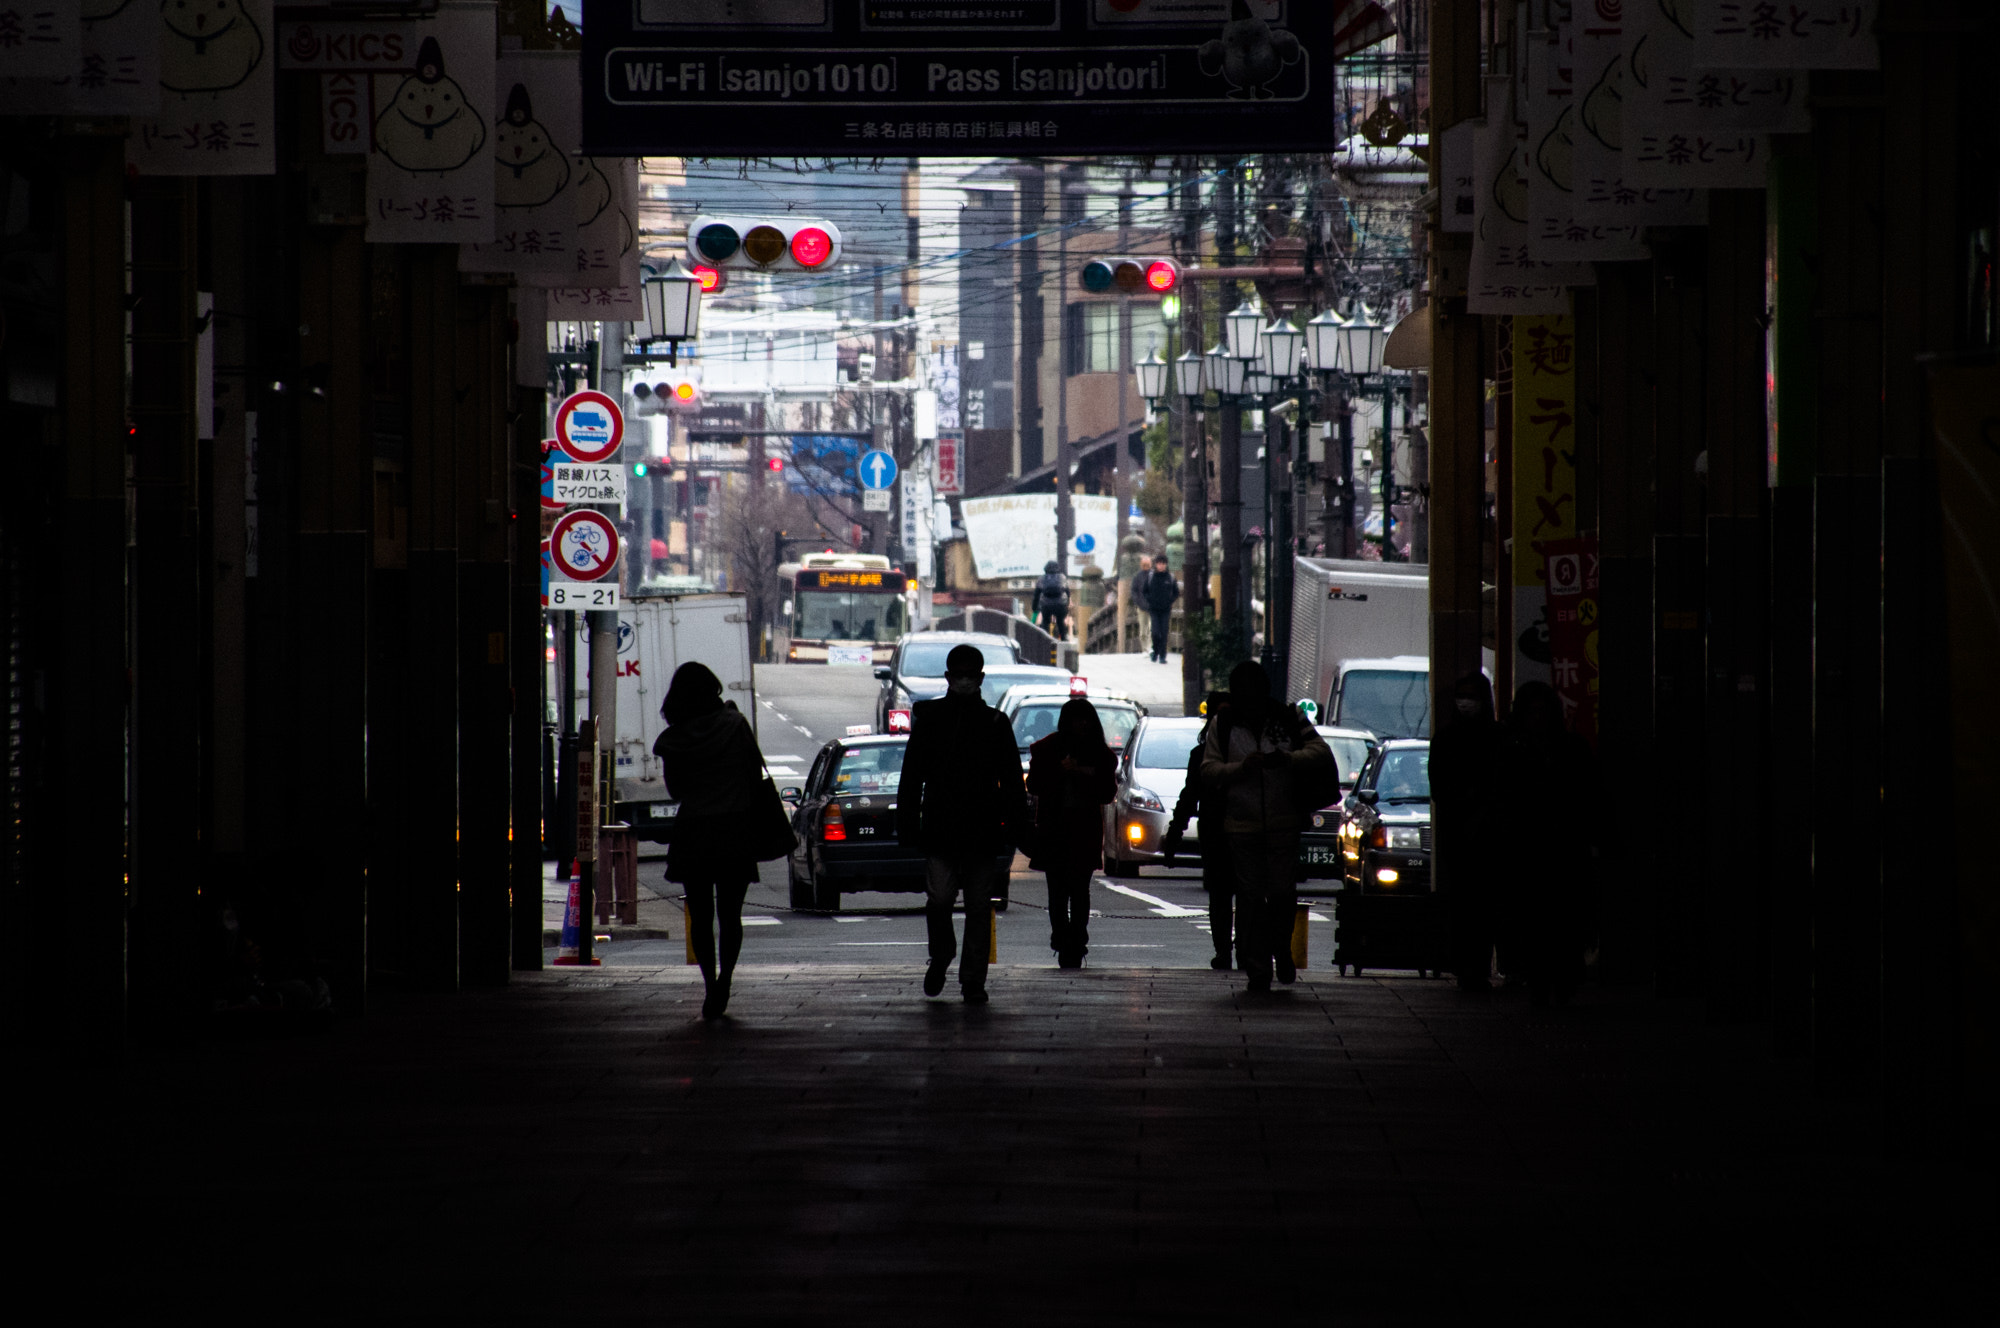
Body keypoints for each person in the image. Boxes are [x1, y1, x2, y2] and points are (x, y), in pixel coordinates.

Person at [897, 643, 1029, 1004]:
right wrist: (907, 822)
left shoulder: (990, 723)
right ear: (949, 678)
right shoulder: (957, 722)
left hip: (970, 831)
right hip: (958, 830)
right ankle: (944, 958)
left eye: (970, 676)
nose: (965, 682)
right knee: (944, 901)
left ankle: (971, 978)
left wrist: (1018, 827)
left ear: (979, 679)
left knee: (971, 906)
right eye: (961, 676)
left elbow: (1013, 782)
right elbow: (912, 777)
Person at [1201, 661, 1335, 993]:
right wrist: (1240, 769)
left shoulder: (1288, 719)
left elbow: (1319, 751)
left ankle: (1281, 950)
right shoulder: (1224, 724)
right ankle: (1259, 966)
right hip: (1241, 824)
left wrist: (1287, 760)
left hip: (1283, 821)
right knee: (1249, 896)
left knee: (1280, 894)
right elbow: (1209, 769)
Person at [653, 661, 764, 1021]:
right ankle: (726, 980)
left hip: (695, 832)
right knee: (731, 915)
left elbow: (676, 790)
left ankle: (709, 985)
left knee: (700, 916)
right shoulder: (735, 725)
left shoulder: (675, 739)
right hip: (734, 828)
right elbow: (753, 774)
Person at [1505, 681, 1598, 1006]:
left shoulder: (1565, 749)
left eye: (1543, 711)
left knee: (1562, 918)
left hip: (1561, 848)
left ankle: (1559, 978)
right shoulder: (1515, 751)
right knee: (1538, 919)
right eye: (1533, 712)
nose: (1539, 718)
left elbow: (1589, 797)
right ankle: (1544, 979)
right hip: (1534, 848)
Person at [1428, 672, 1509, 992]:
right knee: (1464, 903)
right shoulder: (1447, 739)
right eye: (1461, 695)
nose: (1466, 702)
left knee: (1483, 903)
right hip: (1462, 834)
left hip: (1485, 834)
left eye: (1472, 695)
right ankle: (1467, 966)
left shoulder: (1497, 738)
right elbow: (1439, 787)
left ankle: (1476, 966)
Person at [1026, 698, 1118, 968]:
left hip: (1084, 830)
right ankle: (1063, 936)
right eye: (1076, 719)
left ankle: (1075, 939)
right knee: (1058, 890)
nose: (1081, 725)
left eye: (1085, 719)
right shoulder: (1046, 749)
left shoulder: (1101, 755)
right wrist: (1060, 771)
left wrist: (1080, 772)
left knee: (1078, 889)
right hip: (1055, 828)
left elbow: (1107, 792)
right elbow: (1034, 785)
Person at [1163, 691, 1236, 970]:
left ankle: (1240, 948)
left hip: (1242, 830)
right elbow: (1189, 796)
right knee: (1220, 894)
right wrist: (1174, 836)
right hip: (1215, 832)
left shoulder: (1248, 753)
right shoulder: (1200, 755)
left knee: (1241, 893)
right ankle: (1224, 950)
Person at [1135, 554, 1178, 663]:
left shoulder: (1170, 577)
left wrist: (1170, 600)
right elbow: (1145, 591)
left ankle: (1162, 655)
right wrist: (1149, 600)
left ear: (1166, 564)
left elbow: (1176, 592)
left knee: (1163, 632)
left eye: (1163, 563)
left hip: (1165, 609)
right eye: (1159, 563)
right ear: (1156, 564)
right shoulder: (1151, 577)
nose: (1161, 566)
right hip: (1153, 609)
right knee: (1155, 632)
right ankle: (1155, 650)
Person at [1033, 559, 1071, 638]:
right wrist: (1067, 604)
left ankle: (1045, 639)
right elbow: (1067, 592)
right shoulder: (1062, 577)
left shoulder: (1041, 578)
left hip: (1046, 604)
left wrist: (1034, 607)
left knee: (1045, 621)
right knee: (1060, 622)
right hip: (1060, 604)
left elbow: (1036, 594)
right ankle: (1064, 639)